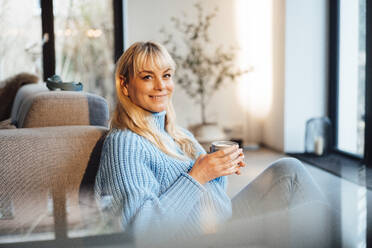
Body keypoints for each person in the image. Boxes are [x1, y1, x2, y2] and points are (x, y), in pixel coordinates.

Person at [94, 41, 331, 246]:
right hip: (193, 241)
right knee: (304, 220)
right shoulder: (125, 143)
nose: (161, 86)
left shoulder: (178, 134)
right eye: (147, 77)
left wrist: (220, 169)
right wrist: (197, 175)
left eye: (166, 75)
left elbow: (213, 198)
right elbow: (144, 234)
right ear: (125, 84)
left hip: (218, 225)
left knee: (288, 170)